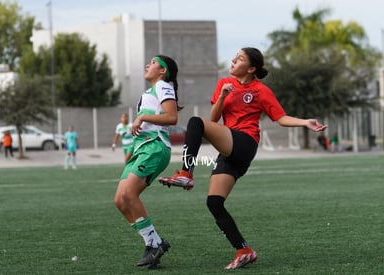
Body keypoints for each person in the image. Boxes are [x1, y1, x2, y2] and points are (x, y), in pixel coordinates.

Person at [159, 47, 327, 270]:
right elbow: (215, 118)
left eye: (239, 59)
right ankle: (244, 250)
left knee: (195, 123)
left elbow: (281, 117)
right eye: (235, 57)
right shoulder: (224, 84)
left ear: (251, 68)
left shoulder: (260, 90)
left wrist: (305, 122)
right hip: (230, 147)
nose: (233, 60)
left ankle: (186, 173)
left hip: (245, 143)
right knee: (214, 203)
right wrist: (222, 96)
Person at [113, 55, 181, 269]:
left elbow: (172, 118)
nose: (147, 65)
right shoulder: (149, 92)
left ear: (162, 71)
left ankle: (154, 244)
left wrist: (142, 118)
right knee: (120, 201)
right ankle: (154, 242)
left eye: (153, 63)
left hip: (155, 147)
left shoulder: (163, 86)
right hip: (141, 149)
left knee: (128, 194)